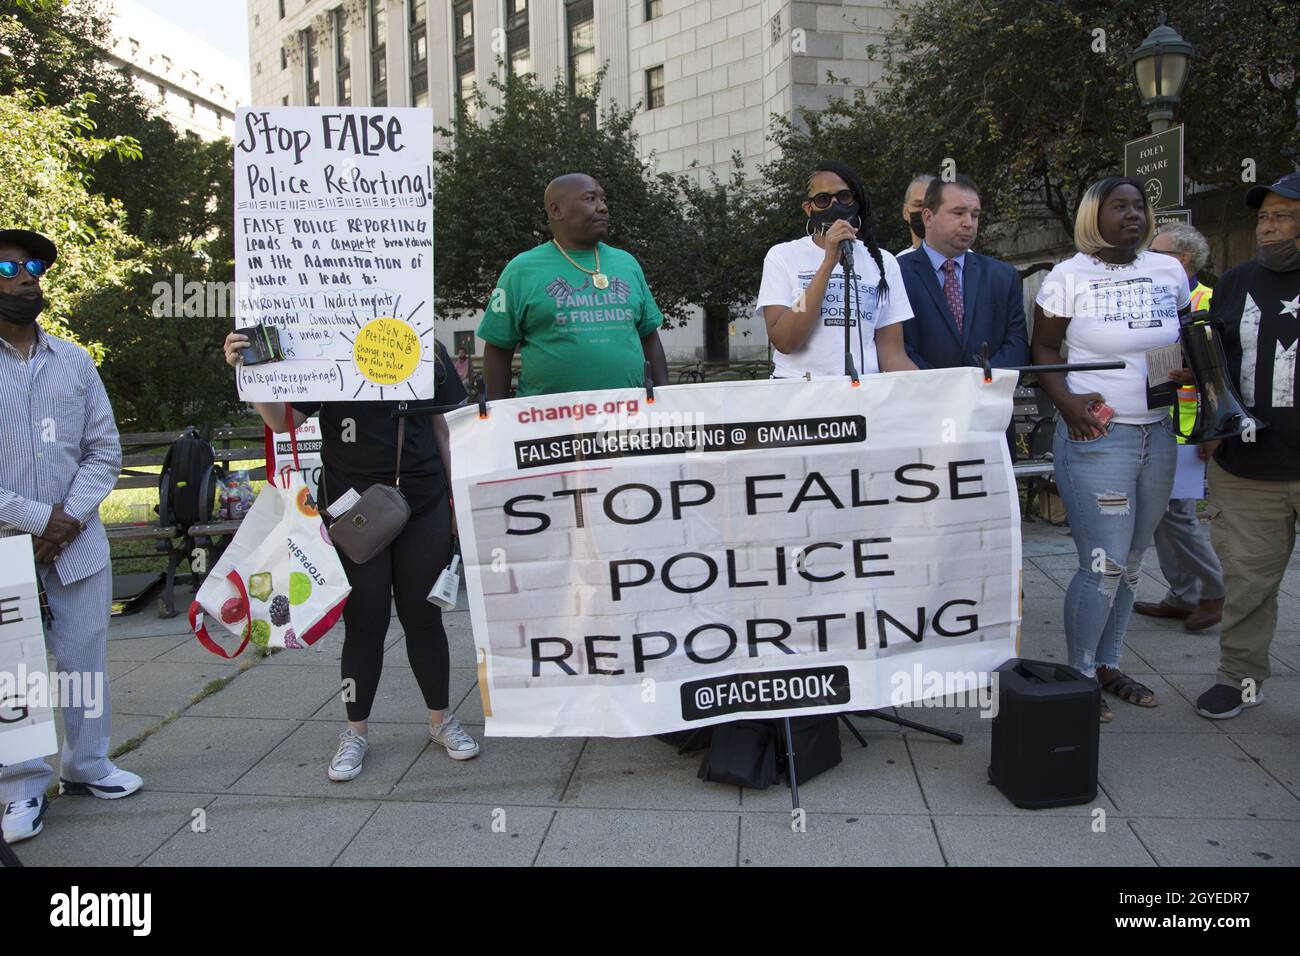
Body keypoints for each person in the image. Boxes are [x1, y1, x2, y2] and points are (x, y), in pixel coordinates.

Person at [221, 333, 478, 780]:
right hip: (354, 512)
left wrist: (458, 499)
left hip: (424, 502)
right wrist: (251, 373)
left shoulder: (424, 342)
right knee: (365, 622)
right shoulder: (325, 340)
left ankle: (441, 720)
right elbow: (283, 422)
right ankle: (354, 732)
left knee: (424, 616)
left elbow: (443, 428)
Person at [1030, 178, 1191, 722]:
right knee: (1102, 564)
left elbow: (1179, 341)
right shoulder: (1067, 277)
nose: (1133, 214)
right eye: (1118, 206)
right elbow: (1044, 350)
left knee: (1131, 564)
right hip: (1100, 437)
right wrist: (1069, 404)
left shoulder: (1169, 271)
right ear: (1092, 216)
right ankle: (1078, 677)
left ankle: (1109, 665)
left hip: (1158, 433)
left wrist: (1185, 372)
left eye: (1139, 205)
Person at [0, 229, 139, 844]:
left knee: (83, 660)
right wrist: (37, 520)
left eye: (33, 266)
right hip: (8, 546)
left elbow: (103, 453)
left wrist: (68, 520)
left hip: (77, 545)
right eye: (10, 267)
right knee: (17, 671)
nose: (26, 275)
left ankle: (86, 766)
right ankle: (22, 786)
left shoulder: (75, 362)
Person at [1194, 171, 1300, 719]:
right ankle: (1240, 678)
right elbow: (1213, 364)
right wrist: (1212, 425)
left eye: (1283, 217)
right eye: (1264, 217)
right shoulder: (1234, 283)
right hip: (1249, 467)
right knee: (1247, 582)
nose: (1268, 228)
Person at [477, 173, 669, 399]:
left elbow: (649, 337)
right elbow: (498, 348)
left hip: (627, 415)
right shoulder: (520, 270)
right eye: (590, 199)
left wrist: (666, 397)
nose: (603, 207)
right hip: (548, 423)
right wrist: (496, 417)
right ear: (557, 211)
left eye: (603, 199)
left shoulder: (627, 263)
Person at [1133, 223, 1224, 631]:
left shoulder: (1206, 301)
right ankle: (1183, 595)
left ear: (1183, 259)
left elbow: (1217, 372)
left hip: (1190, 429)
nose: (1148, 257)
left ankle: (1216, 591)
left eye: (1158, 252)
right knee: (1165, 515)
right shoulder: (1158, 295)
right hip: (1161, 420)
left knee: (1178, 515)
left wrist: (1212, 429)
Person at [757, 160, 916, 378]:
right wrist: (828, 263)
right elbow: (784, 340)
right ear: (808, 208)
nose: (835, 205)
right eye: (823, 199)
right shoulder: (783, 256)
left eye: (844, 197)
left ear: (856, 202)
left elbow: (892, 355)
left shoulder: (884, 262)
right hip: (800, 395)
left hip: (861, 393)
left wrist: (931, 394)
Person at [899, 174, 1029, 371]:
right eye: (958, 213)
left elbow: (1017, 345)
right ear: (928, 217)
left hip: (988, 394)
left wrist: (981, 380)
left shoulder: (1002, 276)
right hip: (924, 395)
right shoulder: (897, 274)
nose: (969, 223)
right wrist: (946, 385)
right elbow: (894, 347)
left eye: (974, 215)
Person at [896, 173, 935, 258]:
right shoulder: (897, 263)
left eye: (932, 205)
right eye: (918, 205)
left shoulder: (965, 259)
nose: (925, 212)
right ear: (906, 212)